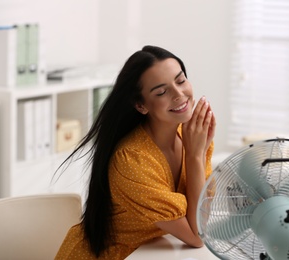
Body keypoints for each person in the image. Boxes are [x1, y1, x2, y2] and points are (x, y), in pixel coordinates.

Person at [55, 45, 216, 259]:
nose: (179, 95)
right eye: (161, 92)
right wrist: (196, 156)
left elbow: (205, 211)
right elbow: (197, 236)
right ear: (141, 105)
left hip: (151, 253)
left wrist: (198, 150)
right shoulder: (132, 161)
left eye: (181, 80)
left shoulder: (189, 135)